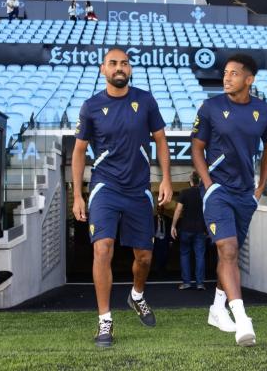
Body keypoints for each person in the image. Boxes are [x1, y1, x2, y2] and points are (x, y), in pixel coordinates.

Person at [72, 48, 173, 348]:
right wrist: (77, 194)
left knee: (144, 257)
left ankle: (136, 295)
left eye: (124, 63)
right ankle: (105, 322)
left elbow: (161, 140)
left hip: (139, 189)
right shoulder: (91, 106)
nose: (119, 68)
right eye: (113, 63)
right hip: (105, 188)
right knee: (103, 248)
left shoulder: (146, 101)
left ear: (130, 69)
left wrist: (166, 178)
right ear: (103, 69)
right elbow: (79, 151)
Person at [191, 53, 267, 347]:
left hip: (244, 193)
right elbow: (197, 148)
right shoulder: (211, 107)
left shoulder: (265, 111)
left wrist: (260, 186)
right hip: (217, 191)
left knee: (231, 252)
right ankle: (242, 319)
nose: (226, 77)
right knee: (227, 248)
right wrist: (208, 185)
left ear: (249, 80)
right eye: (225, 73)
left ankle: (217, 308)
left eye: (234, 73)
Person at [171, 171, 207, 290]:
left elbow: (178, 210)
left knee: (185, 254)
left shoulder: (184, 193)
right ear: (200, 181)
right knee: (200, 255)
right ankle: (200, 283)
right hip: (200, 229)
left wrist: (173, 226)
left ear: (190, 181)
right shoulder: (204, 194)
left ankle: (186, 282)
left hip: (186, 229)